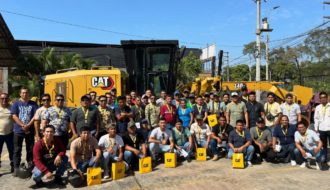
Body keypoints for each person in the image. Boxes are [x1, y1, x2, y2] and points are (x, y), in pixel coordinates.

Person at [11, 87, 38, 176]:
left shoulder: (33, 104)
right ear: (20, 94)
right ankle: (16, 168)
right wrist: (23, 125)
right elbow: (14, 116)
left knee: (30, 149)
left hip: (29, 130)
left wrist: (28, 125)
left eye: (26, 93)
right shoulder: (16, 104)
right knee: (17, 150)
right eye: (23, 93)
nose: (25, 94)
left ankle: (30, 166)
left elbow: (35, 116)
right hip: (18, 131)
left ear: (28, 94)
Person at [314, 91, 330, 165]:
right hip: (321, 129)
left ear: (327, 98)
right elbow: (316, 118)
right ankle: (324, 159)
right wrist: (316, 128)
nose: (323, 99)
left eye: (324, 97)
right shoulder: (318, 107)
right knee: (323, 145)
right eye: (321, 98)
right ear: (320, 99)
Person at [0, 93, 14, 172]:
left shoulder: (12, 108)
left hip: (10, 134)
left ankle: (13, 166)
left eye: (6, 98)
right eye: (2, 98)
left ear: (8, 99)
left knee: (12, 151)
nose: (4, 100)